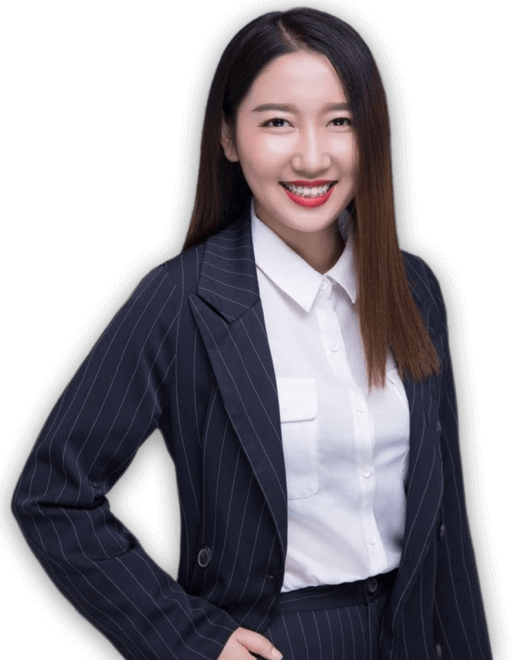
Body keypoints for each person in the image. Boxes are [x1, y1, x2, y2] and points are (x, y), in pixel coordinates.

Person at [10, 7, 493, 659]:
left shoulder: (415, 288)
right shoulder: (180, 299)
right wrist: (189, 639)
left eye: (341, 121)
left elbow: (447, 520)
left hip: (411, 634)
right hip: (279, 643)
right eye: (277, 122)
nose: (312, 157)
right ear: (228, 137)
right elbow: (52, 496)